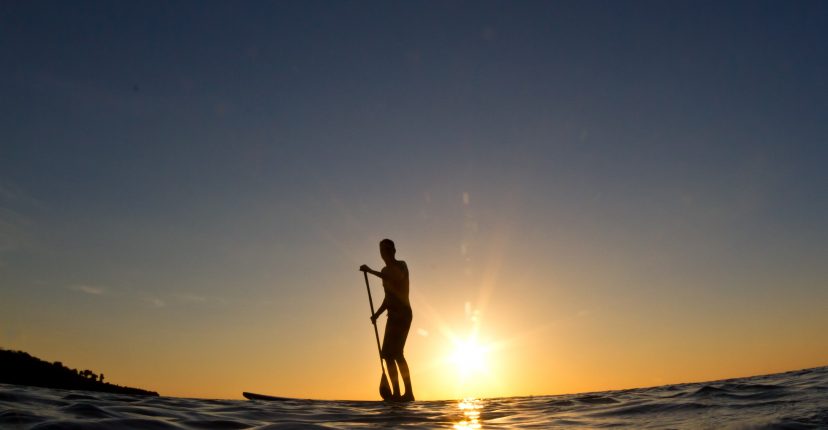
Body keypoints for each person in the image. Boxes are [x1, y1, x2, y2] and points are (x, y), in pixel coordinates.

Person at [360, 238, 415, 401]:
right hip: (392, 315)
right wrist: (377, 314)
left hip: (403, 314)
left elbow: (396, 279)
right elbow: (388, 297)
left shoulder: (401, 266)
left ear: (393, 251)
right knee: (387, 355)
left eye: (385, 250)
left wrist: (370, 271)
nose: (383, 254)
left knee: (397, 353)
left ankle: (409, 392)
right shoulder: (384, 270)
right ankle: (396, 393)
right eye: (381, 251)